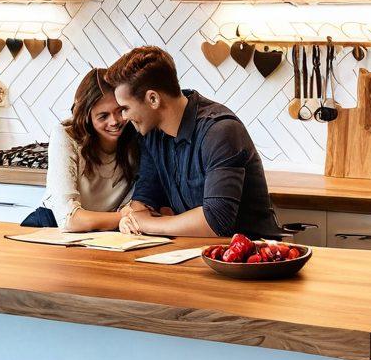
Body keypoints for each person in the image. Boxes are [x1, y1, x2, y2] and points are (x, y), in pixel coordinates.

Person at [104, 46, 280, 239]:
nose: (124, 117)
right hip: (197, 250)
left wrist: (146, 223)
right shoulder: (151, 134)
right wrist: (131, 218)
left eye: (125, 108)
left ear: (153, 99)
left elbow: (217, 222)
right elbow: (145, 200)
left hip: (257, 253)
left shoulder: (220, 131)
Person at [22, 68, 140, 231]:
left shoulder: (138, 135)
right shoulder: (66, 134)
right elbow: (69, 220)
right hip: (53, 225)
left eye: (120, 111)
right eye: (103, 116)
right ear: (87, 117)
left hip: (111, 228)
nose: (114, 121)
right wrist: (123, 217)